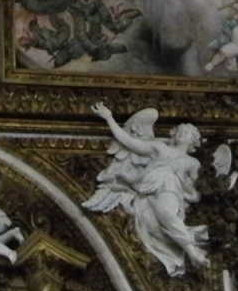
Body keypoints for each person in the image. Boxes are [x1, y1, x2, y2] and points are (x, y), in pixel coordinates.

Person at [86, 103, 209, 276]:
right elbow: (128, 141)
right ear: (173, 133)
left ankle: (192, 252)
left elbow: (201, 187)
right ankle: (188, 246)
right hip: (146, 187)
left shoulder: (192, 162)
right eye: (180, 130)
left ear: (193, 141)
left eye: (187, 133)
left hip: (169, 188)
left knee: (167, 214)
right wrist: (109, 118)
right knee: (153, 228)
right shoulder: (160, 147)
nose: (183, 133)